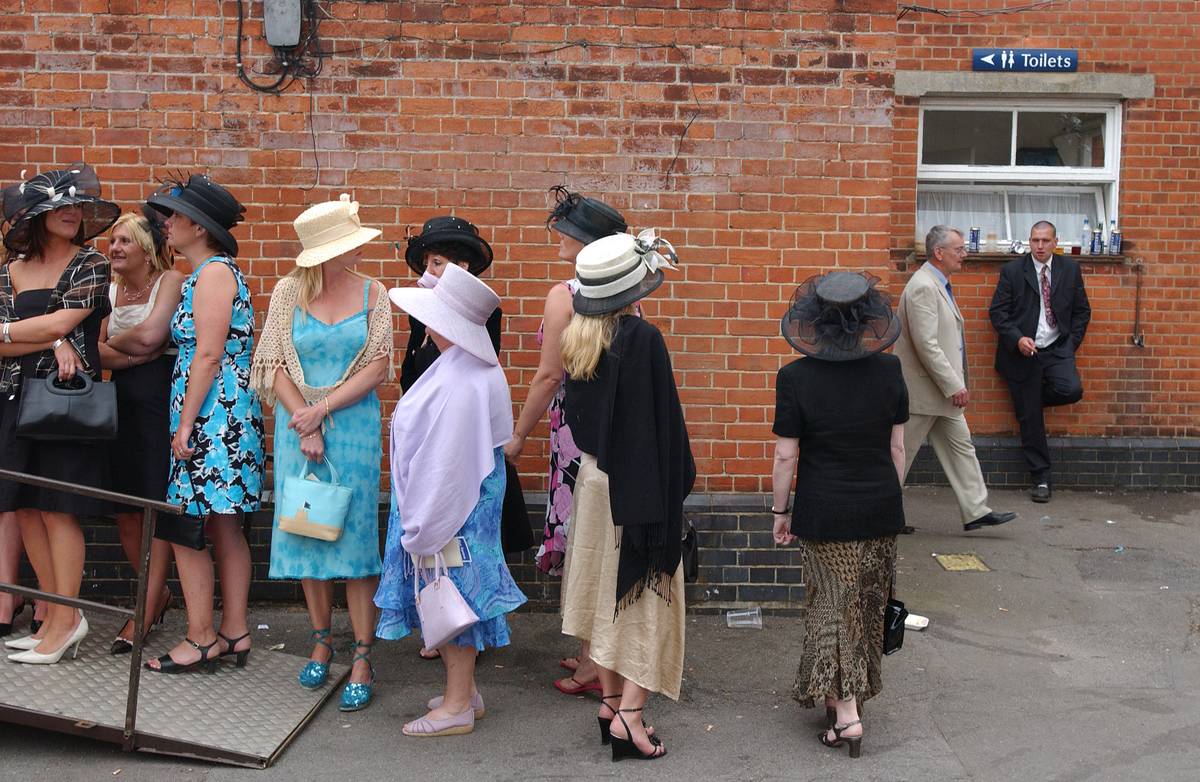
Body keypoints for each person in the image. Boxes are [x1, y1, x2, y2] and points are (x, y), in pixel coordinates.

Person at [252, 194, 392, 711]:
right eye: (350, 245)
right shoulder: (288, 291)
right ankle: (320, 639)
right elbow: (272, 363)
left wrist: (322, 411)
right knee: (311, 534)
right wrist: (304, 421)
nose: (358, 252)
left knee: (354, 543)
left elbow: (378, 368)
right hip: (297, 430)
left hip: (352, 428)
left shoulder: (374, 293)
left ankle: (361, 652)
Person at [375, 262, 527, 737]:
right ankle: (465, 694)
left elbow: (448, 466)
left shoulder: (461, 379)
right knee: (458, 592)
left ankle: (458, 704)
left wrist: (424, 525)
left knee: (451, 592)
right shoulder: (468, 366)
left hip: (453, 509)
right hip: (464, 506)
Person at [559, 231, 694, 761]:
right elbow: (661, 426)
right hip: (637, 487)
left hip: (593, 483)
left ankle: (610, 704)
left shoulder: (579, 335)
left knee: (604, 599)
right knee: (642, 600)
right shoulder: (641, 337)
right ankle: (630, 721)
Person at [770, 271, 909, 759]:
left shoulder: (794, 378)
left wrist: (779, 511)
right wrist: (891, 501)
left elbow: (787, 456)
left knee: (832, 609)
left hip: (823, 510)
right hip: (878, 508)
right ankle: (842, 696)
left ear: (814, 324)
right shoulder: (890, 372)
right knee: (864, 607)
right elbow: (896, 448)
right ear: (866, 322)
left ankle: (846, 712)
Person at [504, 186, 628, 694]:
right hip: (612, 428)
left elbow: (548, 376)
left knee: (583, 539)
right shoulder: (624, 290)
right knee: (599, 539)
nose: (558, 235)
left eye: (567, 229)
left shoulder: (566, 294)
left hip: (576, 433)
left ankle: (595, 664)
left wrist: (516, 436)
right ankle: (591, 652)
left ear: (586, 242)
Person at [142, 174, 265, 674]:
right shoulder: (216, 271)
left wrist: (185, 424)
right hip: (226, 415)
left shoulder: (213, 274)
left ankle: (200, 636)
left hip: (214, 417)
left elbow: (209, 354)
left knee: (185, 525)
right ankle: (233, 632)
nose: (166, 224)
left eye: (173, 216)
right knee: (224, 526)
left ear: (197, 224)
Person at [0, 164, 119, 664]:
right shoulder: (9, 271)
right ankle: (53, 615)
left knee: (57, 507)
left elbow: (67, 318)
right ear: (35, 217)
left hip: (64, 402)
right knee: (24, 506)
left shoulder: (90, 264)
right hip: (11, 400)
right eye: (60, 207)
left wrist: (45, 330)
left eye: (76, 206)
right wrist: (48, 336)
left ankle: (67, 620)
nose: (73, 213)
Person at [398, 215, 530, 664]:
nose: (445, 273)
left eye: (457, 264)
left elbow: (454, 440)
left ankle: (460, 670)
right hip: (438, 460)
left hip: (454, 469)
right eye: (437, 263)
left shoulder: (473, 332)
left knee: (458, 568)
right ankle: (451, 641)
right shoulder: (428, 328)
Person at [99, 209, 184, 654]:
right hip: (120, 403)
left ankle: (144, 610)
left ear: (148, 250)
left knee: (155, 503)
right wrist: (129, 356)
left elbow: (154, 336)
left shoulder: (170, 281)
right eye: (113, 241)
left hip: (159, 402)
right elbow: (95, 353)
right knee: (126, 510)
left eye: (125, 241)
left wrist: (123, 348)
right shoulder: (109, 291)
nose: (114, 248)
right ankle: (155, 593)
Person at [894, 226, 1016, 533]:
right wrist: (954, 385)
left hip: (940, 394)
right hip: (923, 392)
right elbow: (927, 345)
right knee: (898, 455)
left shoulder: (937, 283)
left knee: (962, 448)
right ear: (939, 253)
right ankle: (882, 515)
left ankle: (976, 510)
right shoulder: (923, 286)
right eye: (958, 249)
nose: (964, 254)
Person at [988, 221, 1091, 503]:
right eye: (1035, 240)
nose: (1040, 246)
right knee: (1031, 419)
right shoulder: (1013, 271)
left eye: (1046, 240)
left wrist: (1070, 345)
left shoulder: (1069, 269)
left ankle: (1027, 401)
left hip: (1057, 348)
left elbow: (1082, 311)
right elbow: (998, 313)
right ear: (1029, 242)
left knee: (1071, 390)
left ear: (1055, 241)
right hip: (1024, 352)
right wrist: (1017, 339)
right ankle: (1041, 478)